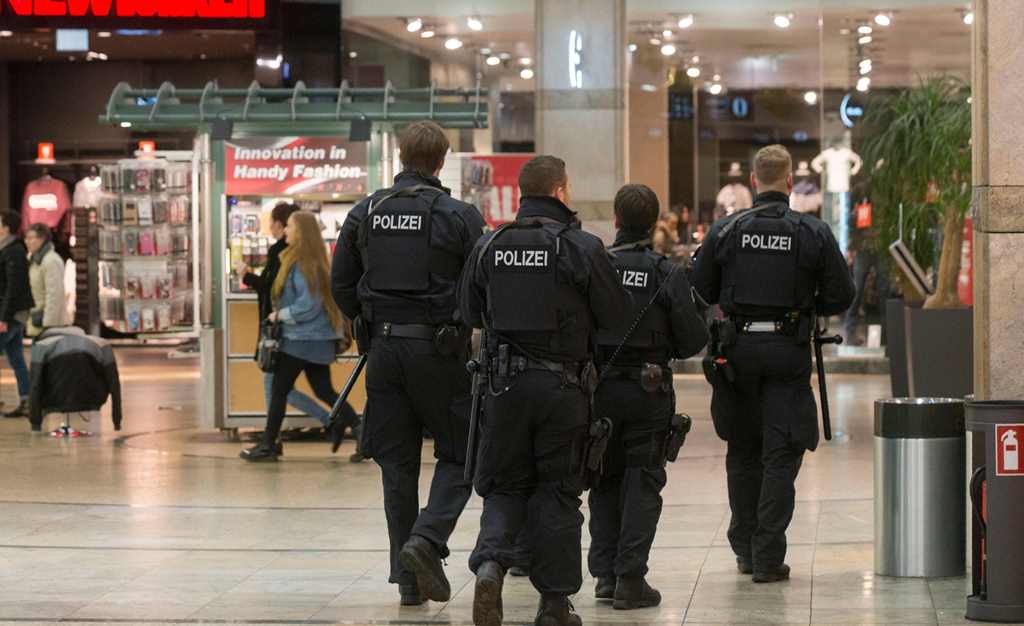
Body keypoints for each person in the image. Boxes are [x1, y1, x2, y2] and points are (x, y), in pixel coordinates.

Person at [459, 155, 630, 626]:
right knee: (557, 491)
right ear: (560, 192)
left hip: (503, 386)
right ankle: (554, 604)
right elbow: (615, 316)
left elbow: (469, 313)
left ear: (521, 193)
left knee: (504, 485)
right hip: (562, 388)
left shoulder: (489, 244)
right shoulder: (582, 247)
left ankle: (492, 563)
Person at [331, 121, 486, 606]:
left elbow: (340, 283)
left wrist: (366, 320)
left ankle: (409, 579)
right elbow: (480, 287)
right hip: (440, 353)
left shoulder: (367, 210)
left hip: (383, 352)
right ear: (441, 161)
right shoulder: (460, 215)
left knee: (395, 466)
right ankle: (426, 540)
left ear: (401, 157)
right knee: (461, 453)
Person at [690, 145, 854, 583]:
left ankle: (744, 548)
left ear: (752, 179)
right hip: (787, 351)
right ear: (787, 182)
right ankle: (766, 555)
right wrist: (807, 303)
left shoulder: (726, 230)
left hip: (737, 354)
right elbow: (843, 295)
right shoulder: (811, 232)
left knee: (742, 450)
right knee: (780, 454)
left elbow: (699, 287)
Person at [587, 184, 708, 609]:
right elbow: (694, 339)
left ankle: (603, 574)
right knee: (643, 480)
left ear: (616, 221)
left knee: (602, 475)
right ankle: (630, 579)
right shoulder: (667, 272)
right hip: (648, 391)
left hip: (598, 390)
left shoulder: (595, 264)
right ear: (655, 224)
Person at [234, 202, 360, 459]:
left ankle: (269, 444)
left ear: (301, 231)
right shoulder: (309, 260)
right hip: (314, 338)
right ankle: (359, 429)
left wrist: (280, 314)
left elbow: (309, 303)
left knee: (279, 390)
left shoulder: (303, 264)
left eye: (290, 226)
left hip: (302, 337)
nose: (285, 230)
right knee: (323, 389)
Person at [0, 211, 34, 418]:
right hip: (11, 314)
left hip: (10, 315)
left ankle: (28, 400)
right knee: (16, 357)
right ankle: (27, 400)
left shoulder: (13, 251)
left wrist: (3, 318)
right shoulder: (7, 249)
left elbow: (13, 287)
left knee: (16, 357)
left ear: (6, 228)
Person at [25, 224, 68, 338]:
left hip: (49, 327)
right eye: (26, 238)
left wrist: (48, 325)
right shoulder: (33, 259)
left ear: (42, 239)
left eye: (31, 238)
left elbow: (54, 295)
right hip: (37, 322)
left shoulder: (51, 261)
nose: (27, 241)